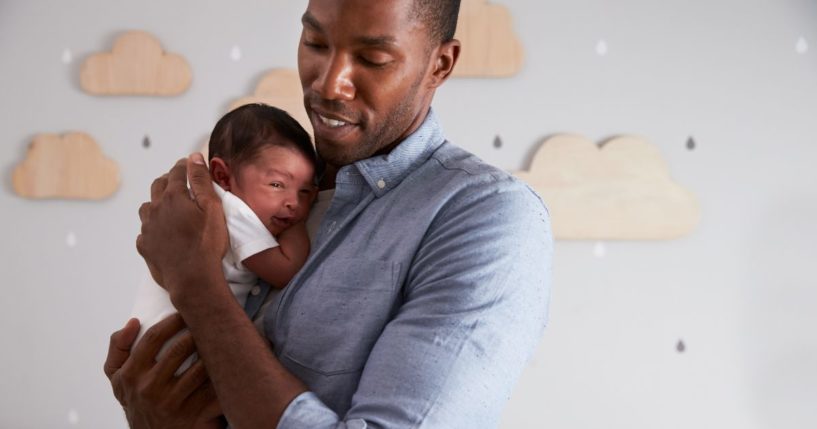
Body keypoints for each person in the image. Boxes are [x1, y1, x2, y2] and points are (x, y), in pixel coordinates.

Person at [104, 0, 553, 427]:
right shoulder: (267, 184)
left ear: (440, 64)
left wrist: (196, 286)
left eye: (373, 58)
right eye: (316, 44)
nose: (328, 84)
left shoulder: (489, 217)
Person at [129, 103, 318, 373]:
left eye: (305, 192)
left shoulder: (205, 203)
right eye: (277, 185)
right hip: (177, 350)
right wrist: (298, 224)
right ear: (222, 175)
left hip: (155, 344)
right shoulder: (233, 212)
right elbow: (286, 269)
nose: (293, 203)